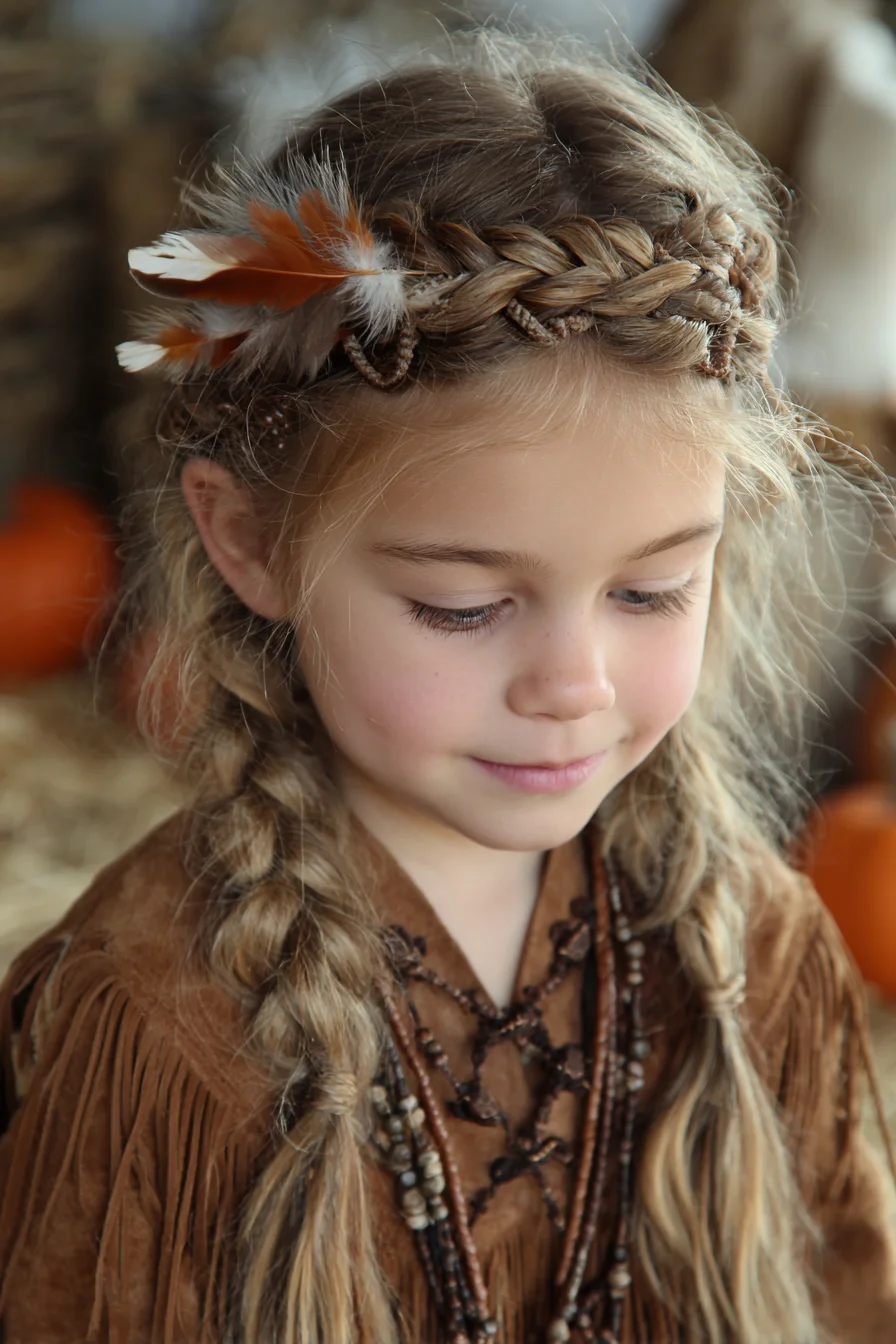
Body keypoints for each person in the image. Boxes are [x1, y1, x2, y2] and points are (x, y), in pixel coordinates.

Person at [1, 29, 895, 1344]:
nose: (574, 685)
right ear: (249, 540)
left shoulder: (757, 953)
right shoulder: (154, 1027)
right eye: (464, 606)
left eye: (652, 590)